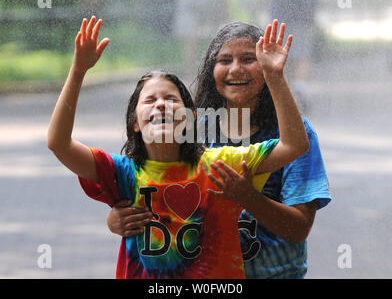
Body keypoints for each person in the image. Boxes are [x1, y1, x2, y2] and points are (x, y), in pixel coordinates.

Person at [47, 16, 309, 279]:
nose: (160, 104)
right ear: (134, 122)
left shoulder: (217, 165)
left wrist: (274, 76)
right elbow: (58, 143)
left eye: (171, 99)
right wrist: (78, 71)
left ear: (190, 119)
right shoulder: (122, 173)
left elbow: (293, 145)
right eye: (149, 100)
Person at [107, 20, 331, 279]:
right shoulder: (192, 129)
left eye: (248, 59)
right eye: (225, 60)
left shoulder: (294, 132)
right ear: (211, 70)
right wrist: (117, 219)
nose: (236, 69)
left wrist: (248, 198)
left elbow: (299, 228)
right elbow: (148, 183)